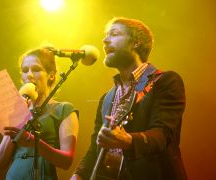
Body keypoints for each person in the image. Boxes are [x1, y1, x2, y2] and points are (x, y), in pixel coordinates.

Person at [71, 17, 187, 180]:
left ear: (136, 42)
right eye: (105, 35)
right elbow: (95, 147)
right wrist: (79, 174)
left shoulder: (165, 81)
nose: (104, 40)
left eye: (114, 34)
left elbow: (164, 135)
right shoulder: (107, 97)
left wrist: (128, 140)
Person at [0, 47, 79, 179]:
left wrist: (35, 143)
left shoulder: (64, 109)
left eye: (36, 69)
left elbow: (66, 161)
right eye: (25, 70)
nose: (29, 74)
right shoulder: (17, 112)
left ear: (51, 74)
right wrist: (18, 116)